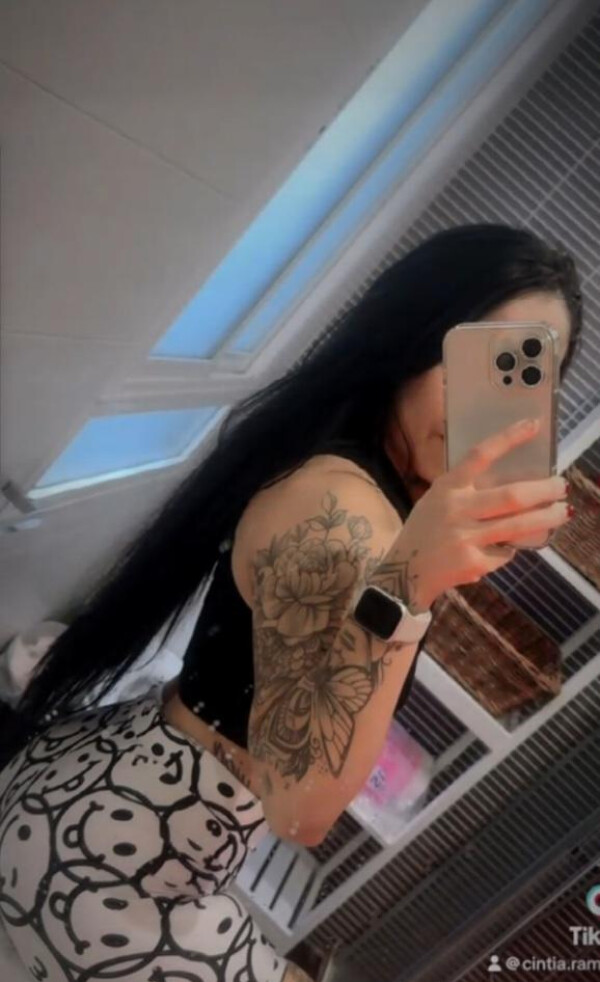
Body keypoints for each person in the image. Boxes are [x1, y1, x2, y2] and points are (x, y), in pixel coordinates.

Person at [0, 224, 583, 981]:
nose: (488, 406)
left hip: (84, 783)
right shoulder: (346, 522)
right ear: (409, 337)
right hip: (108, 864)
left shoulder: (357, 469)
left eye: (522, 378)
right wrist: (407, 587)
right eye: (473, 360)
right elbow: (301, 811)